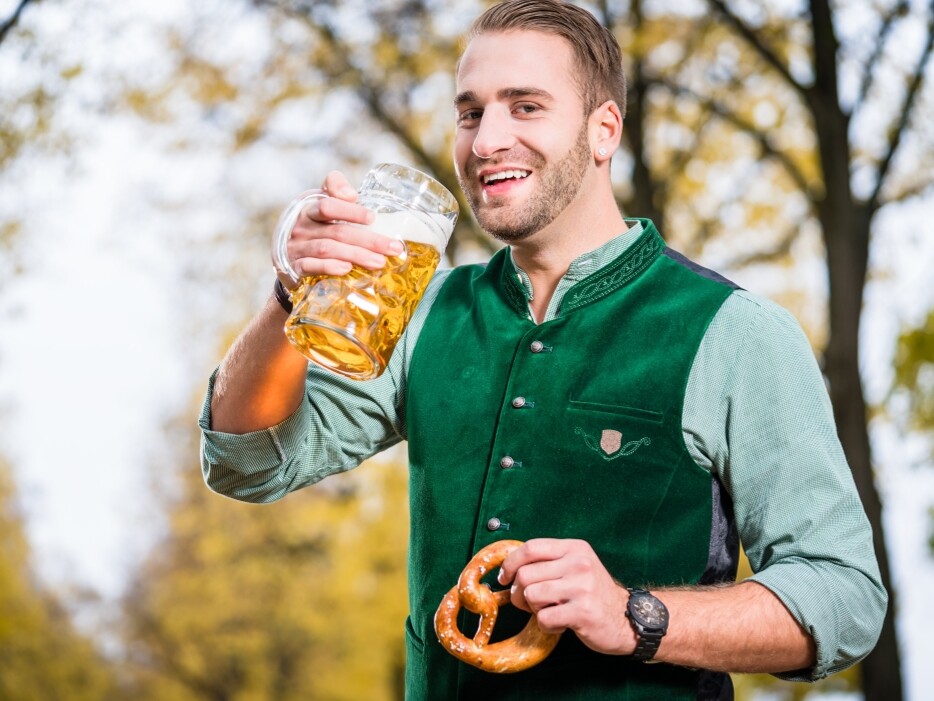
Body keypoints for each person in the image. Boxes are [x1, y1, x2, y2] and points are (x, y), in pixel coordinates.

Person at [199, 1, 886, 699]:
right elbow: (244, 459)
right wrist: (290, 293)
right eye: (470, 113)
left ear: (603, 130)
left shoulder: (736, 331)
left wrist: (636, 615)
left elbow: (842, 597)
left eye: (524, 107)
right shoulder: (428, 310)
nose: (486, 139)